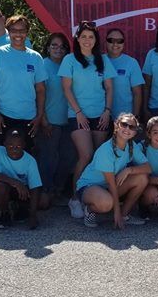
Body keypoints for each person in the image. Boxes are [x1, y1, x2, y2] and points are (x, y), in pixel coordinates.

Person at [0, 15, 46, 220]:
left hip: (27, 119)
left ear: (27, 32)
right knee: (0, 162)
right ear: (8, 31)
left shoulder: (35, 57)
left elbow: (41, 89)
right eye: (14, 30)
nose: (18, 34)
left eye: (22, 30)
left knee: (23, 162)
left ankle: (20, 204)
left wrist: (39, 116)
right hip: (1, 117)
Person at [61, 21, 116, 219]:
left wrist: (107, 111)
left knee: (95, 159)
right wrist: (78, 112)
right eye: (83, 36)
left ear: (95, 40)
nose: (87, 40)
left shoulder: (102, 60)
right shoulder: (69, 60)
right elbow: (66, 88)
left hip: (100, 115)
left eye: (91, 37)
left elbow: (109, 88)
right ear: (77, 38)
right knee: (85, 155)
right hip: (78, 116)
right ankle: (74, 197)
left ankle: (91, 196)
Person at [76, 113, 151, 229]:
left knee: (142, 178)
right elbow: (111, 183)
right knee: (107, 203)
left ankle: (124, 215)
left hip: (108, 186)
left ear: (135, 132)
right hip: (89, 186)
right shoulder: (106, 150)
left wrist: (129, 170)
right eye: (124, 124)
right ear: (116, 126)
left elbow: (147, 168)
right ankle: (89, 209)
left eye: (132, 127)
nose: (127, 129)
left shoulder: (131, 146)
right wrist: (115, 212)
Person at [38, 32, 73, 207]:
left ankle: (58, 191)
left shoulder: (71, 64)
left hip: (69, 120)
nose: (58, 49)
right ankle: (46, 191)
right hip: (49, 122)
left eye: (62, 46)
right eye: (54, 45)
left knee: (68, 158)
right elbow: (37, 94)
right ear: (48, 47)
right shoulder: (42, 65)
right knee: (48, 158)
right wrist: (43, 119)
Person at [0, 130, 42, 230]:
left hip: (21, 192)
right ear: (4, 144)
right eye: (10, 146)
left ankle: (19, 207)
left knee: (43, 202)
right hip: (3, 187)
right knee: (0, 188)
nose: (14, 150)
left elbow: (35, 188)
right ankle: (4, 213)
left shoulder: (30, 161)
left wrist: (33, 215)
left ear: (24, 145)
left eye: (18, 147)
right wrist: (16, 183)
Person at [106, 28, 144, 120]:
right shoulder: (99, 61)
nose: (115, 44)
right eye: (111, 40)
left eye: (119, 41)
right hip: (102, 117)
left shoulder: (131, 63)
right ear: (106, 42)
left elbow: (137, 93)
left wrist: (135, 117)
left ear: (124, 43)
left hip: (125, 119)